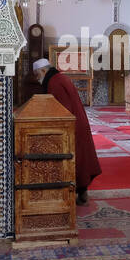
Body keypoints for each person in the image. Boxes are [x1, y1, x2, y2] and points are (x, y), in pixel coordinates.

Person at [31, 58, 101, 204]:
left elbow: (60, 109)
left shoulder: (53, 82)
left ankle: (69, 195)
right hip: (78, 122)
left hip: (71, 126)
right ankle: (81, 193)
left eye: (37, 75)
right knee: (80, 158)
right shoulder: (60, 77)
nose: (38, 79)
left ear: (44, 71)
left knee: (73, 158)